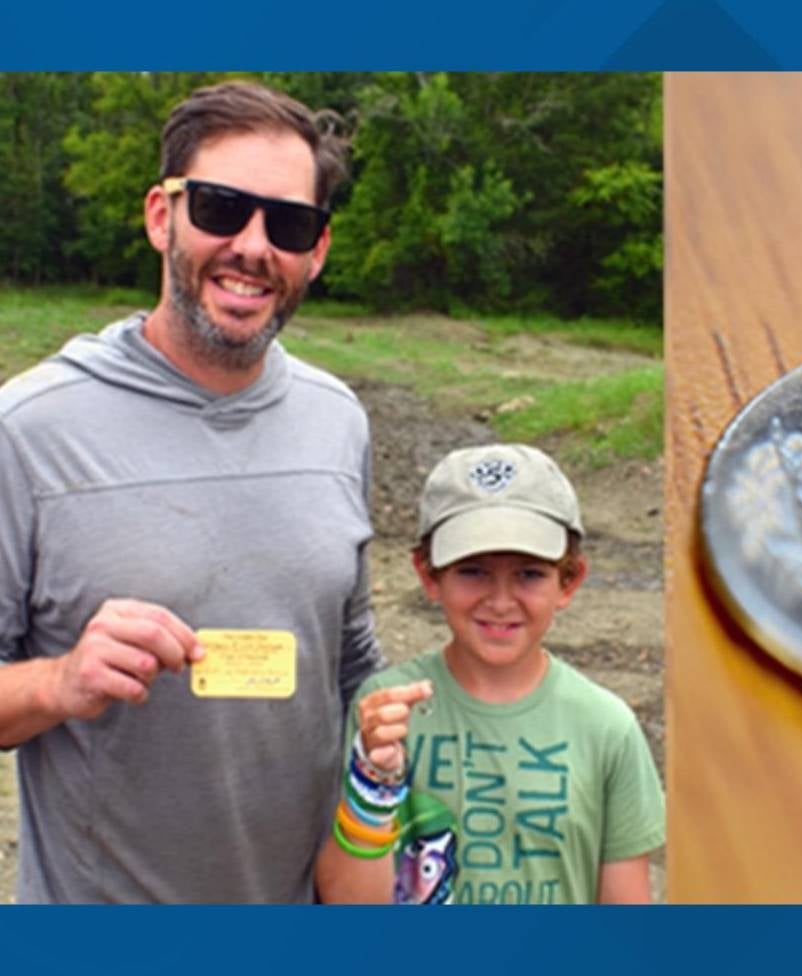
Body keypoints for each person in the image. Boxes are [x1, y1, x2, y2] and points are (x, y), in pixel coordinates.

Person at [0, 81, 383, 902]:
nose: (252, 247)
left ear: (316, 250)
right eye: (218, 207)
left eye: (287, 224)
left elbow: (350, 663)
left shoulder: (337, 421)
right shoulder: (28, 431)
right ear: (160, 216)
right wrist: (60, 681)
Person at [315, 444, 664, 904]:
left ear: (570, 580)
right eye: (473, 571)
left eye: (529, 574)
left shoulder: (607, 727)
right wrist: (371, 785)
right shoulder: (386, 713)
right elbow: (347, 905)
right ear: (428, 575)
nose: (500, 600)